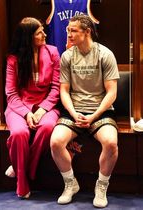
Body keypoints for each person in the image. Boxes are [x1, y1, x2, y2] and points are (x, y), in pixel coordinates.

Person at [50, 14, 120, 208]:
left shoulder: (105, 54)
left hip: (100, 111)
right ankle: (70, 183)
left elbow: (112, 92)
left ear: (87, 31)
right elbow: (64, 90)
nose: (69, 34)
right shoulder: (67, 56)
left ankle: (102, 185)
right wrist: (73, 114)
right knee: (55, 142)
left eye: (73, 30)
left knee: (111, 142)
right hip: (74, 111)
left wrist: (94, 116)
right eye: (68, 30)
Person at [5, 17, 61, 199]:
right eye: (39, 33)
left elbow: (56, 87)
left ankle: (24, 170)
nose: (45, 34)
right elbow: (11, 93)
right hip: (19, 106)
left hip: (47, 106)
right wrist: (27, 113)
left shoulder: (53, 52)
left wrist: (43, 109)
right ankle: (22, 183)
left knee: (47, 128)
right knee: (19, 134)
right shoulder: (14, 59)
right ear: (28, 37)